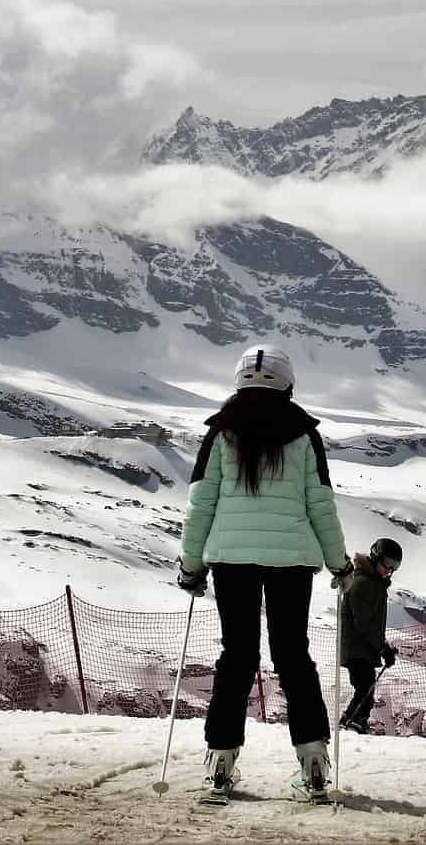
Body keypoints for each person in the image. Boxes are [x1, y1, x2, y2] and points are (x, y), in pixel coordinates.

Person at [176, 345, 350, 805]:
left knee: (237, 657)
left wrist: (191, 566)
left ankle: (219, 763)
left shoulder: (219, 434)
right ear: (287, 383)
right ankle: (313, 763)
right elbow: (320, 506)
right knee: (293, 655)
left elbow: (201, 506)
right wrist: (339, 563)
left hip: (231, 560)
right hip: (292, 561)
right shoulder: (305, 435)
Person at [337, 537, 402, 734]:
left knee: (366, 689)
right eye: (388, 564)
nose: (389, 570)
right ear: (375, 557)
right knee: (365, 688)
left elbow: (369, 625)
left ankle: (352, 723)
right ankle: (352, 725)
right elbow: (363, 623)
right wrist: (382, 648)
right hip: (357, 647)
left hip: (363, 647)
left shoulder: (374, 584)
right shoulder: (363, 583)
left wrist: (383, 648)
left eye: (394, 567)